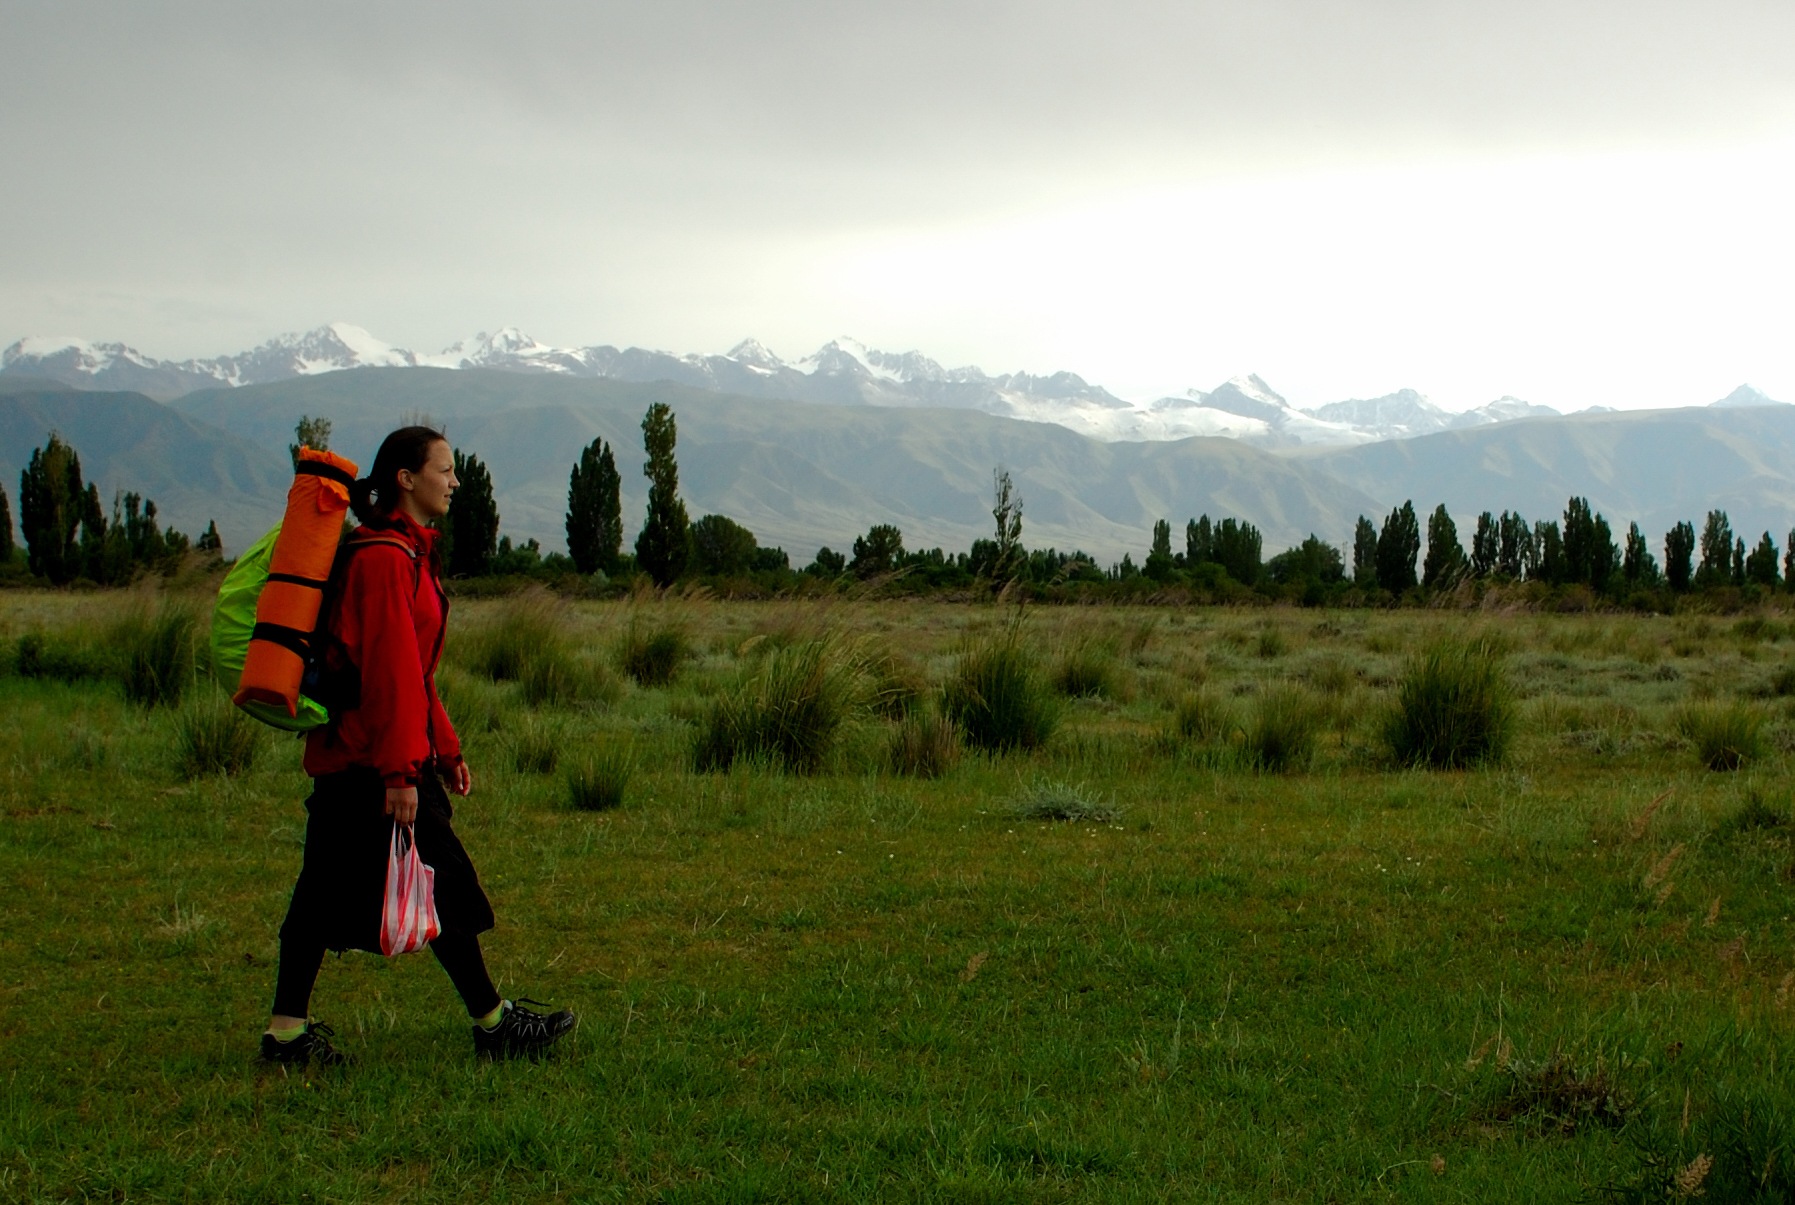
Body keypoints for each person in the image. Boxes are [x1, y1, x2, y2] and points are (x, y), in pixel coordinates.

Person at [261, 426, 574, 1065]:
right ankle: (494, 1027)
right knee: (439, 883)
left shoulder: (404, 553)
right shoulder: (382, 560)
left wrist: (446, 749)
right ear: (406, 478)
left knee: (332, 891)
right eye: (445, 469)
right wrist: (402, 774)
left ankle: (287, 1032)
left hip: (370, 755)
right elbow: (390, 673)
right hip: (369, 760)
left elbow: (415, 670)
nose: (455, 481)